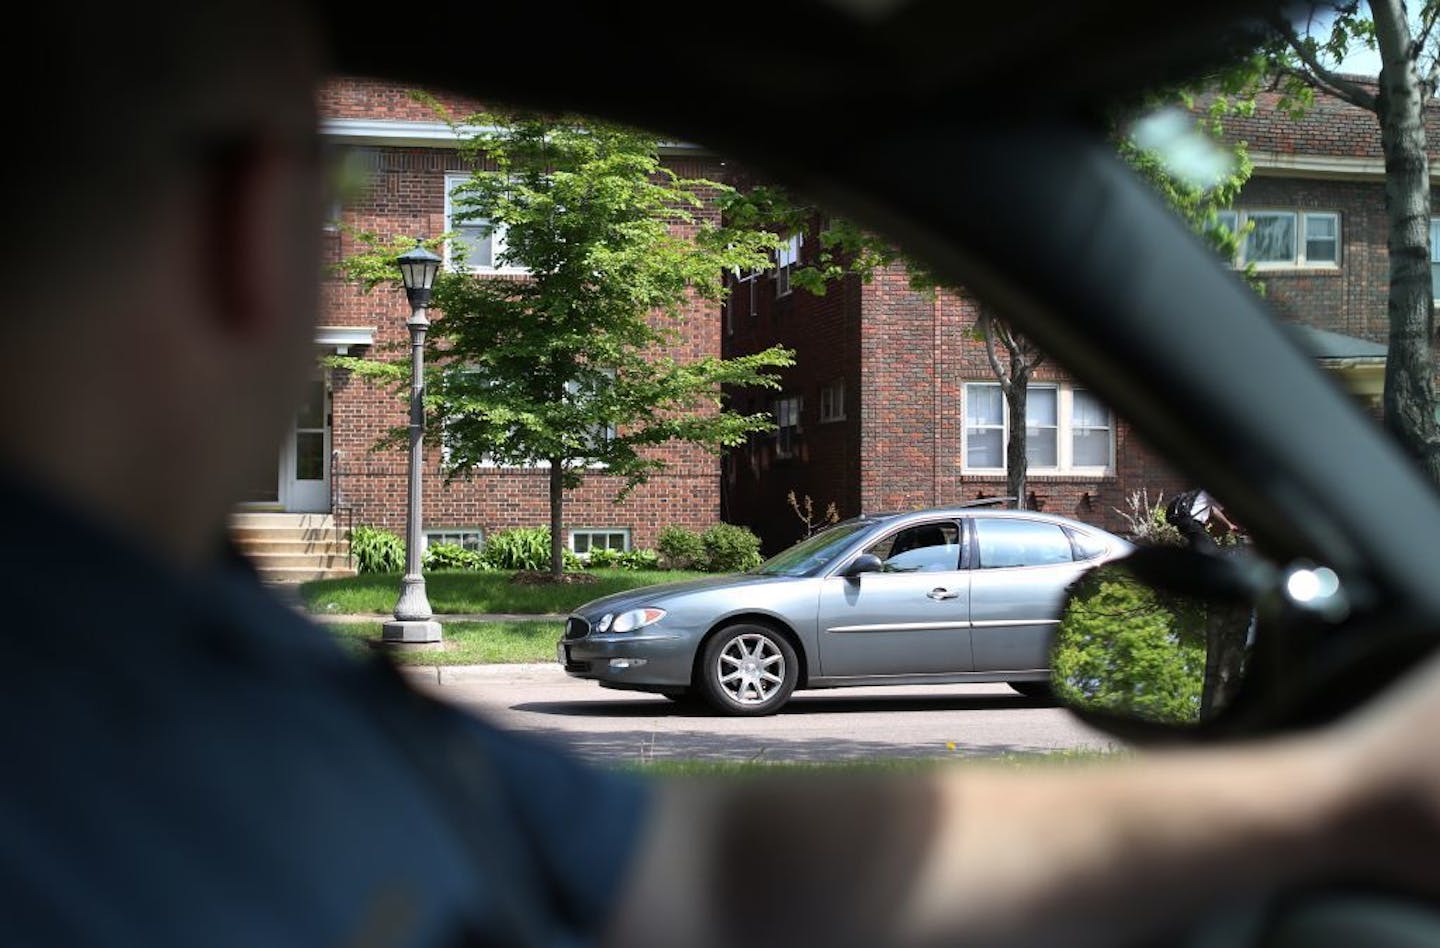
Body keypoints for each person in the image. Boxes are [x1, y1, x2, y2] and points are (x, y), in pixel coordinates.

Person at [5, 4, 1440, 946]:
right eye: (337, 191)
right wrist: (1342, 788)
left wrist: (1324, 794)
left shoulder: (217, 660)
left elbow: (705, 872)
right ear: (250, 217)